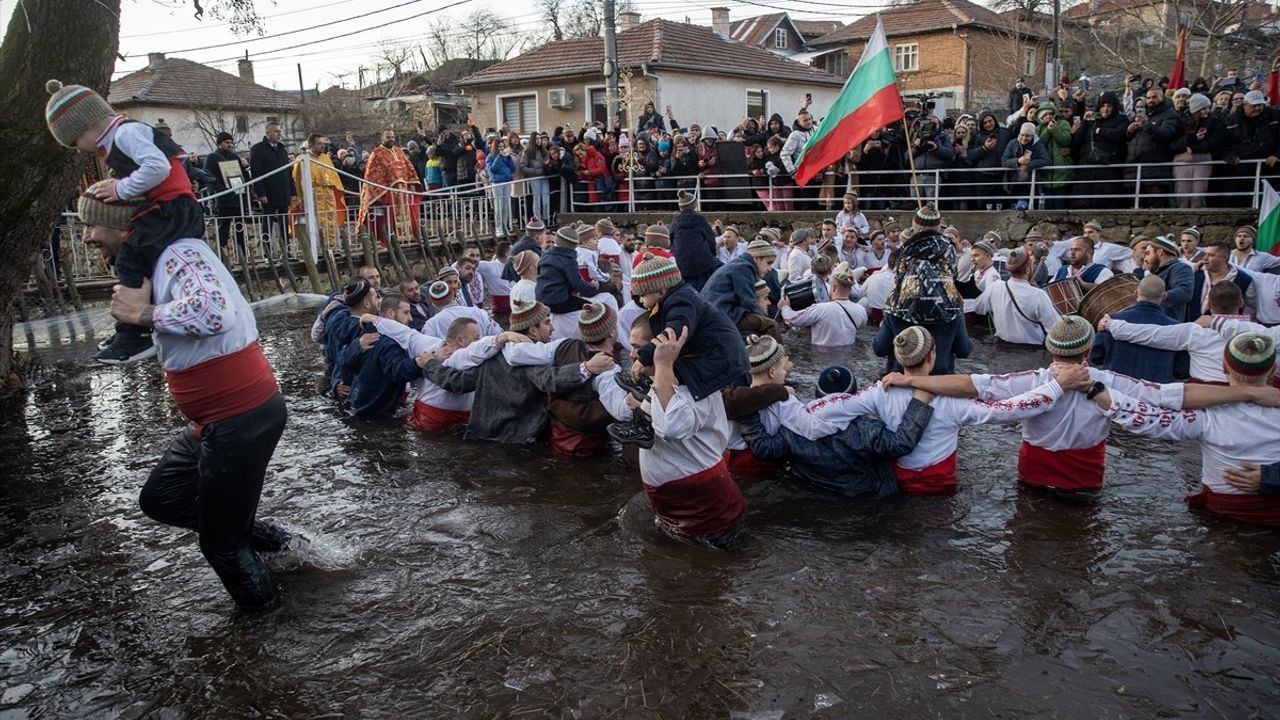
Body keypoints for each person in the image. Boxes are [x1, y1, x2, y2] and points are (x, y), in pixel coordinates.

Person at [78, 184, 290, 610]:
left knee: (220, 547)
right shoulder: (158, 257)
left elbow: (215, 312)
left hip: (239, 414)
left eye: (92, 224)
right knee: (161, 499)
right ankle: (280, 545)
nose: (86, 236)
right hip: (219, 417)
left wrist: (141, 314)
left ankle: (266, 632)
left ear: (124, 225)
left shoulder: (179, 254)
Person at [886, 315, 1273, 496]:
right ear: (1089, 349)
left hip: (1033, 470)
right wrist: (1247, 393)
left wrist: (911, 379)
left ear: (1050, 349)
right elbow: (1174, 396)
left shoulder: (1031, 381)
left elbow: (971, 385)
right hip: (1085, 475)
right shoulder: (1113, 382)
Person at [45, 79, 205, 364]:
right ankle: (131, 330)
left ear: (85, 126)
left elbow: (158, 167)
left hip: (172, 209)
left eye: (74, 142)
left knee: (131, 258)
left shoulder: (125, 134)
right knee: (142, 262)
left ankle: (135, 335)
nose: (79, 149)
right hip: (168, 207)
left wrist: (120, 189)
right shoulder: (121, 136)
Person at [809, 326, 1072, 494]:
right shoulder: (952, 399)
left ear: (899, 358)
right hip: (940, 486)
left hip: (898, 483)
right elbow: (1008, 410)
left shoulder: (880, 391)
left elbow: (830, 408)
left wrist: (797, 407)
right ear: (932, 356)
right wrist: (1057, 387)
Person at [1087, 333, 1280, 526]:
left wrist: (1099, 393)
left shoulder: (1208, 416)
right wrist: (1269, 479)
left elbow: (1151, 420)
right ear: (1272, 369)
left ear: (1223, 367)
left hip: (1225, 515)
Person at [737, 342, 935, 498]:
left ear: (817, 395)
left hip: (814, 495)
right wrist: (920, 400)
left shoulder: (791, 431)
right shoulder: (865, 429)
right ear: (854, 394)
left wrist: (747, 408)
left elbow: (764, 448)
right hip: (869, 497)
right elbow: (900, 444)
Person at [421, 301, 616, 444]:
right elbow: (550, 380)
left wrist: (429, 364)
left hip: (484, 436)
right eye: (547, 323)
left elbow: (456, 383)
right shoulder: (530, 360)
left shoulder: (491, 355)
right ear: (532, 331)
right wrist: (586, 367)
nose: (553, 328)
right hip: (522, 441)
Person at [632, 253, 749, 402]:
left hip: (718, 358)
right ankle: (649, 409)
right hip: (712, 354)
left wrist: (644, 357)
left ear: (661, 291)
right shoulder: (677, 298)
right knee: (671, 379)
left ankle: (651, 412)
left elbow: (673, 333)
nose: (641, 301)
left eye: (642, 295)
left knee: (676, 386)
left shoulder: (681, 302)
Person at [874, 205, 971, 375]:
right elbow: (964, 351)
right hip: (939, 385)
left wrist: (886, 320)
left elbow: (879, 349)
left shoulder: (897, 304)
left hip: (900, 381)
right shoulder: (952, 306)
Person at [1100, 282, 1249, 384]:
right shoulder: (1264, 333)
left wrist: (1111, 324)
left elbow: (1152, 334)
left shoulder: (1193, 332)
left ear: (1208, 304)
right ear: (1241, 303)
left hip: (1205, 400)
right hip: (1251, 402)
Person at [337, 294, 422, 418]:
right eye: (406, 313)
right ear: (391, 313)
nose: (410, 318)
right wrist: (419, 363)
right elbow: (397, 370)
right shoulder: (389, 342)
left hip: (358, 406)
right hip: (376, 412)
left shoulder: (367, 331)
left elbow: (341, 360)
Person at [1090, 275, 1179, 383]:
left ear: (1135, 293)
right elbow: (1181, 370)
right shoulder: (1176, 329)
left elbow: (1096, 357)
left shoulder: (1110, 321)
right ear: (1164, 297)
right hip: (1154, 395)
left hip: (1115, 393)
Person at [965, 248, 1059, 345]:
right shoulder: (1038, 295)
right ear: (1027, 270)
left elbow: (977, 307)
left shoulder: (995, 286)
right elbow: (1056, 329)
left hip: (1001, 349)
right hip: (1031, 353)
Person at [700, 239, 783, 341]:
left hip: (717, 310)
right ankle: (777, 356)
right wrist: (762, 318)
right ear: (757, 258)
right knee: (771, 325)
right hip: (722, 312)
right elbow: (749, 301)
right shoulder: (744, 267)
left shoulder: (739, 264)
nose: (770, 268)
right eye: (769, 263)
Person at [537, 225, 608, 340]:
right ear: (575, 245)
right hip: (559, 301)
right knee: (590, 309)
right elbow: (577, 284)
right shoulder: (569, 261)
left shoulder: (545, 256)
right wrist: (593, 287)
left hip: (541, 299)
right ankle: (587, 338)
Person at [358, 129, 422, 247]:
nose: (391, 139)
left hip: (403, 190)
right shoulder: (376, 154)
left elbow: (409, 168)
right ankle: (391, 240)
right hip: (388, 192)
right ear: (382, 138)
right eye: (388, 137)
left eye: (392, 137)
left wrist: (412, 183)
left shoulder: (399, 151)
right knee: (389, 217)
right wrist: (380, 191)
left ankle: (409, 237)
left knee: (407, 215)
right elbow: (372, 175)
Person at [781, 264, 867, 347]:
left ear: (833, 287)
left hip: (820, 356)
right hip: (848, 355)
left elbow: (792, 319)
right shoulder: (861, 311)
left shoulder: (820, 308)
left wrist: (785, 307)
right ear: (851, 288)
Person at [290, 133, 348, 252]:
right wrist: (300, 198)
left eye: (323, 144)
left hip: (328, 193)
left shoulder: (325, 158)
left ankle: (332, 248)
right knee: (314, 222)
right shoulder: (302, 159)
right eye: (319, 144)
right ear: (311, 145)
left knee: (331, 219)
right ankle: (317, 250)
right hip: (312, 195)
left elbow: (333, 176)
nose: (322, 146)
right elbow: (297, 179)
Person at [249, 123, 295, 260]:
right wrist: (261, 193)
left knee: (283, 223)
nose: (279, 134)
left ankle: (286, 251)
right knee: (267, 222)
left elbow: (287, 171)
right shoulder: (258, 149)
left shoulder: (282, 149)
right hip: (269, 192)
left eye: (280, 131)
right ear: (268, 133)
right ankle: (268, 252)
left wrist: (292, 192)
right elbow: (256, 172)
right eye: (276, 131)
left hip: (283, 191)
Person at [203, 131, 252, 259]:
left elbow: (244, 174)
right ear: (220, 144)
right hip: (223, 198)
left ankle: (242, 255)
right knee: (224, 227)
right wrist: (219, 188)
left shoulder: (234, 157)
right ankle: (222, 255)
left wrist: (248, 185)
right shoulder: (212, 157)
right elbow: (207, 175)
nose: (230, 145)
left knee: (240, 226)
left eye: (231, 142)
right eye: (227, 142)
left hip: (237, 197)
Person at [669, 189, 721, 290]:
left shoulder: (675, 222)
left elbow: (672, 242)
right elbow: (711, 240)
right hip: (703, 263)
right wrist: (712, 255)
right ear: (694, 205)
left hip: (682, 265)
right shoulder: (699, 219)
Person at [1192, 241, 1256, 319]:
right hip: (1196, 325)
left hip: (1228, 327)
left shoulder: (1244, 280)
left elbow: (1250, 308)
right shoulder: (1197, 274)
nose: (1205, 258)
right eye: (1205, 254)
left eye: (1211, 255)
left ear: (1224, 257)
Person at [422, 281, 502, 339]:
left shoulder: (431, 324)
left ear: (433, 303)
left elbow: (427, 349)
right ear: (453, 294)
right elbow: (498, 333)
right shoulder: (479, 312)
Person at [1147, 234, 1196, 320]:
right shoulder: (1156, 273)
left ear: (1160, 252)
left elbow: (1185, 291)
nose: (1145, 259)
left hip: (1170, 328)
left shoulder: (1181, 268)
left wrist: (1156, 297)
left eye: (1148, 253)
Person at [502, 217, 546, 282]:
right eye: (544, 234)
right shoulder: (533, 248)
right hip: (518, 282)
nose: (545, 237)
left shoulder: (520, 243)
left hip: (511, 281)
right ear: (537, 237)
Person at [478, 242, 513, 317]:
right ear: (507, 254)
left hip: (515, 307)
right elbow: (465, 263)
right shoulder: (490, 267)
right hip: (501, 310)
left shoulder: (513, 266)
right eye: (514, 251)